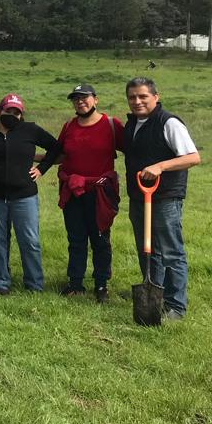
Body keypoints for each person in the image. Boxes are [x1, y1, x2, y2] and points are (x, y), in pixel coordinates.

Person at [122, 77, 200, 321]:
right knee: (147, 250)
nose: (137, 101)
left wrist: (161, 166)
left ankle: (175, 305)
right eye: (132, 97)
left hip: (165, 196)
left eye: (143, 96)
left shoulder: (169, 122)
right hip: (139, 196)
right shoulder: (132, 124)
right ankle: (153, 291)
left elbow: (192, 157)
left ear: (155, 96)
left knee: (170, 251)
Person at [0, 94, 60, 295]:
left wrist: (42, 168)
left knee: (29, 240)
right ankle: (1, 282)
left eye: (16, 112)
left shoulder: (30, 130)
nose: (12, 115)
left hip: (24, 195)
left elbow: (56, 147)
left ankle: (34, 283)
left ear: (21, 114)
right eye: (8, 111)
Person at [54, 84, 124, 303]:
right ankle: (75, 283)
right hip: (73, 191)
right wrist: (24, 155)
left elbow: (132, 149)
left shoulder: (111, 125)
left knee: (101, 238)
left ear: (96, 99)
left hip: (100, 192)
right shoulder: (69, 127)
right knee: (76, 238)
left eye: (84, 97)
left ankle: (101, 284)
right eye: (75, 98)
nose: (80, 101)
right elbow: (59, 155)